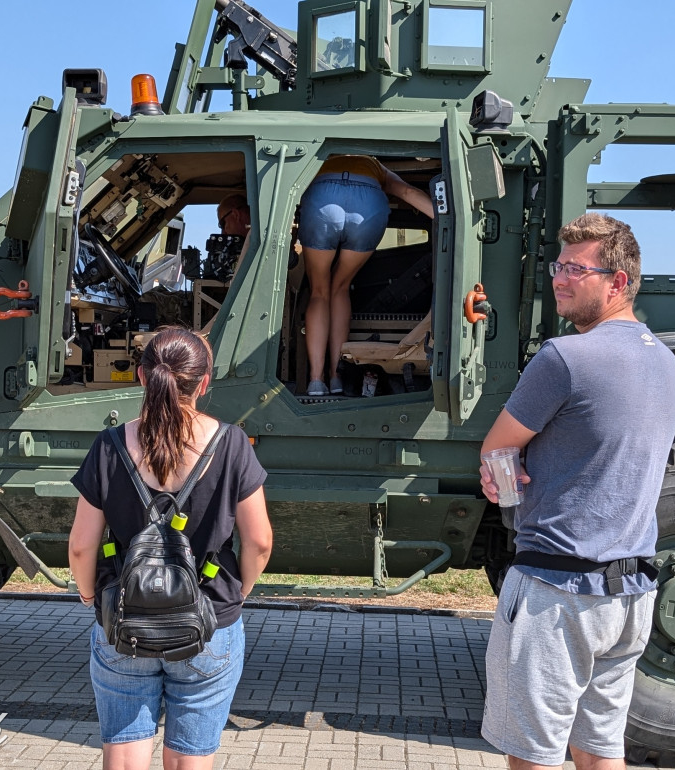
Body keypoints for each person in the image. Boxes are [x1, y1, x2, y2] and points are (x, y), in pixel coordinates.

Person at [478, 213, 675, 770]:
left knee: (533, 757)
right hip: (631, 595)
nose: (559, 279)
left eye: (575, 268)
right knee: (600, 753)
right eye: (558, 266)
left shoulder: (564, 357)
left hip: (557, 590)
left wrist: (503, 487)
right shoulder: (664, 362)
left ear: (618, 282)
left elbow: (495, 449)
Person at [69, 326, 273, 770]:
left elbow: (82, 548)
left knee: (123, 758)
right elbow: (259, 540)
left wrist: (90, 598)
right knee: (190, 761)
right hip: (208, 619)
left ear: (143, 377)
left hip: (124, 620)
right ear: (203, 382)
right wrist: (238, 595)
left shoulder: (108, 447)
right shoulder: (232, 444)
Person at [298, 155, 435, 396]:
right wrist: (452, 219)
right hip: (368, 204)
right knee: (340, 287)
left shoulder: (321, 158)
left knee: (319, 290)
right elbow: (407, 191)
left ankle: (316, 381)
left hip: (322, 199)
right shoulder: (375, 166)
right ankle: (336, 376)